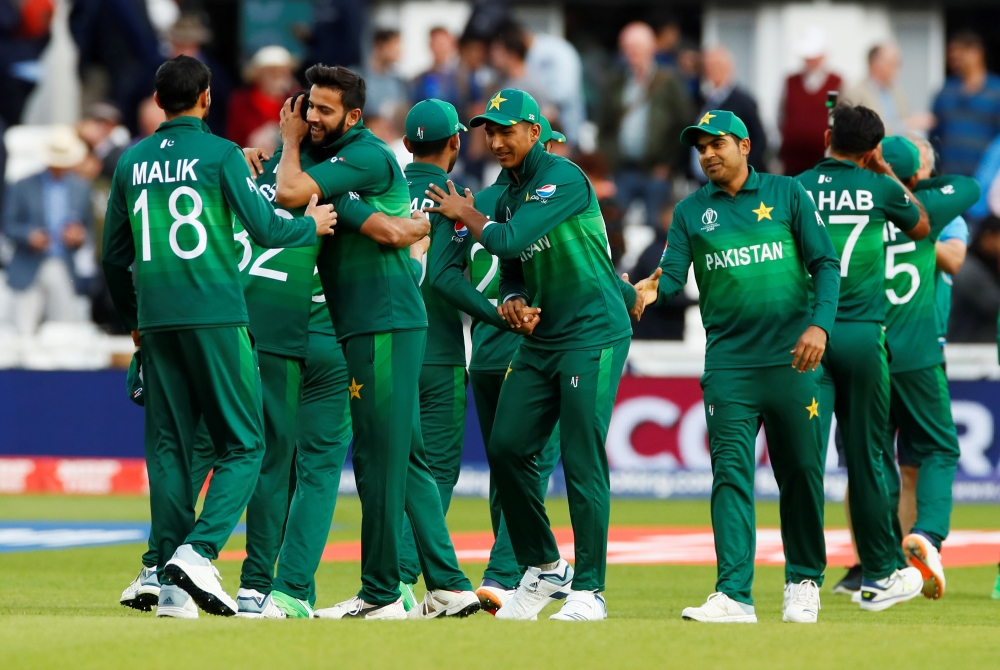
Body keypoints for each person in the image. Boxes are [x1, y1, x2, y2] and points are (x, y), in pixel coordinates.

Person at [102, 55, 336, 618]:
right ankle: (199, 550)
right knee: (246, 442)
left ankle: (169, 586)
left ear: (159, 102)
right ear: (206, 98)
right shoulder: (220, 154)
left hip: (156, 321)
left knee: (169, 452)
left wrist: (134, 317)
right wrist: (312, 225)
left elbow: (113, 257)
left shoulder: (131, 162)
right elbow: (265, 226)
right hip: (215, 315)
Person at [426, 88, 638, 622]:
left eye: (506, 131)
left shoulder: (563, 178)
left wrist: (463, 212)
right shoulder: (501, 191)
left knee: (582, 455)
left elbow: (508, 238)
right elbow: (516, 264)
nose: (495, 141)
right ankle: (544, 566)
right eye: (488, 132)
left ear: (534, 133)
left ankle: (591, 590)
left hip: (593, 331)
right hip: (543, 338)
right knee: (506, 448)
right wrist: (514, 299)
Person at [273, 64, 477, 619]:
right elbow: (283, 187)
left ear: (354, 117)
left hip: (382, 321)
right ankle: (450, 587)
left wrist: (286, 145)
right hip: (369, 322)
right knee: (405, 460)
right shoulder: (329, 159)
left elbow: (288, 191)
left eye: (324, 110)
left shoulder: (365, 155)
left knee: (376, 459)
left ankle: (383, 593)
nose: (312, 117)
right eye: (308, 106)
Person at [633, 109, 839, 623]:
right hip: (729, 365)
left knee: (801, 474)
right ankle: (733, 595)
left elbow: (825, 264)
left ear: (745, 146)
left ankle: (804, 581)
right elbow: (671, 277)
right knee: (729, 476)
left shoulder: (788, 194)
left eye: (716, 143)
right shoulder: (689, 212)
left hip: (794, 359)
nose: (707, 154)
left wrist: (820, 326)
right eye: (700, 147)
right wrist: (642, 290)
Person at [798, 104, 929, 612]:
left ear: (828, 135)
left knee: (803, 462)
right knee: (869, 458)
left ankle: (802, 583)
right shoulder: (881, 188)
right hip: (860, 337)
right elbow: (919, 225)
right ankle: (878, 574)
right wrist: (886, 170)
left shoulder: (795, 187)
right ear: (873, 149)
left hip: (807, 338)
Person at [879, 135, 979, 600]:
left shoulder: (862, 211)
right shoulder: (931, 210)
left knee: (883, 460)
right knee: (939, 449)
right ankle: (927, 538)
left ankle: (888, 564)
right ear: (919, 172)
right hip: (918, 348)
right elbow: (968, 189)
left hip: (868, 348)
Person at [598, 21, 692, 227]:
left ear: (651, 48)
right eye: (627, 49)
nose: (632, 53)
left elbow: (683, 124)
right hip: (622, 170)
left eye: (637, 48)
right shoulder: (616, 81)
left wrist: (668, 164)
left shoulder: (668, 81)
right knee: (613, 227)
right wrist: (608, 163)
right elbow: (604, 126)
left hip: (657, 171)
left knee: (656, 229)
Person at [3, 126, 93, 335]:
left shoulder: (80, 187)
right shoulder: (23, 185)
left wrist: (77, 236)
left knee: (65, 328)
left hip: (63, 263)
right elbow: (9, 225)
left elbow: (86, 229)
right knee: (23, 328)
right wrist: (29, 236)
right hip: (29, 262)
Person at [931, 31, 1000, 178]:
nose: (954, 59)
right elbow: (935, 135)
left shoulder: (996, 90)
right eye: (952, 56)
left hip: (985, 179)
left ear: (976, 53)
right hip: (950, 178)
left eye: (959, 54)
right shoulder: (945, 91)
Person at [692, 47, 767, 178]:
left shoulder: (743, 102)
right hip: (702, 178)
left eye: (718, 65)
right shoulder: (701, 99)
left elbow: (759, 140)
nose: (713, 70)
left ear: (730, 68)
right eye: (709, 66)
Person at [779, 27, 842, 177]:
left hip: (824, 159)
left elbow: (837, 117)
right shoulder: (790, 82)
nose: (809, 61)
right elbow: (781, 115)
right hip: (793, 160)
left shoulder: (836, 83)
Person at [628, 201, 695, 340]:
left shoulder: (666, 251)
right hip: (653, 339)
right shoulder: (658, 253)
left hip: (660, 337)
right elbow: (668, 295)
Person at [167, 13, 232, 137]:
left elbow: (225, 107)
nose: (184, 52)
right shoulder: (155, 71)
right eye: (180, 45)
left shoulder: (215, 73)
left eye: (189, 45)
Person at [845, 44, 929, 137]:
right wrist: (905, 125)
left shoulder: (898, 92)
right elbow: (865, 129)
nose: (897, 69)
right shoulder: (857, 93)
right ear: (875, 64)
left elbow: (904, 118)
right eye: (892, 63)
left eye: (898, 64)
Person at [226, 46, 300, 149]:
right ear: (258, 75)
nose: (279, 77)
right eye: (272, 72)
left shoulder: (297, 99)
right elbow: (235, 137)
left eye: (283, 72)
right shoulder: (241, 100)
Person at [949, 214, 1000, 342]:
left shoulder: (985, 264)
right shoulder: (968, 269)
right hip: (965, 348)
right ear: (987, 237)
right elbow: (995, 305)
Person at [360, 28, 408, 121]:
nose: (399, 50)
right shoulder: (358, 78)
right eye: (395, 43)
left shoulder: (398, 82)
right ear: (379, 46)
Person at [410, 27, 460, 107]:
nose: (439, 48)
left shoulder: (461, 78)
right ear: (430, 46)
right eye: (436, 44)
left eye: (442, 44)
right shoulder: (419, 79)